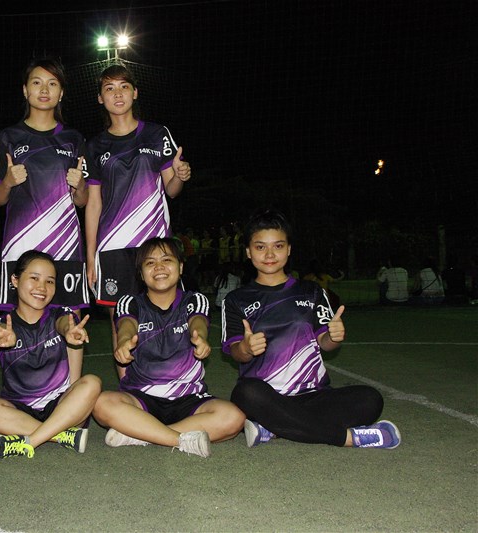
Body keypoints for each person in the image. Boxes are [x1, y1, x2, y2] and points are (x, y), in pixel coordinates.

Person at [221, 208, 401, 450]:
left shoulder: (311, 291)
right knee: (245, 393)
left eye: (278, 246)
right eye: (260, 247)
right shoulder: (235, 300)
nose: (270, 254)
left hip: (313, 395)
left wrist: (334, 336)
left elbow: (325, 343)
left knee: (370, 399)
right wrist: (245, 348)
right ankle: (349, 438)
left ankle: (274, 427)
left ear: (289, 249)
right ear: (248, 252)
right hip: (266, 396)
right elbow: (235, 351)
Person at [91, 237, 244, 458]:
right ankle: (178, 439)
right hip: (141, 398)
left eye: (166, 260)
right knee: (102, 403)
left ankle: (141, 433)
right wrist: (124, 341)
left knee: (233, 418)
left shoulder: (195, 299)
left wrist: (200, 337)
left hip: (189, 398)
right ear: (141, 274)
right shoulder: (129, 302)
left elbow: (198, 321)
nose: (159, 267)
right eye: (150, 263)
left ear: (180, 267)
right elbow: (126, 325)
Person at [84, 63, 192, 374]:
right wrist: (90, 257)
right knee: (121, 322)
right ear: (100, 98)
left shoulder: (157, 134)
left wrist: (180, 174)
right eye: (109, 88)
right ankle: (129, 390)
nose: (117, 94)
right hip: (113, 249)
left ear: (135, 92)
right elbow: (93, 203)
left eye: (123, 87)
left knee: (166, 316)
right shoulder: (95, 146)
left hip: (154, 246)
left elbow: (172, 189)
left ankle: (171, 382)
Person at [0, 250, 102, 460]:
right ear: (15, 280)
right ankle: (61, 436)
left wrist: (68, 330)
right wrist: (0, 336)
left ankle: (31, 441)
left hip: (61, 406)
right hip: (18, 410)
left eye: (49, 281)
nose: (42, 287)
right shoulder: (3, 323)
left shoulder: (61, 315)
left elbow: (64, 323)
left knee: (92, 383)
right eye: (34, 278)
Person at [0, 57, 90, 314]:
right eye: (37, 83)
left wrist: (80, 186)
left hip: (65, 243)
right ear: (25, 90)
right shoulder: (7, 137)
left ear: (61, 93)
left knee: (70, 320)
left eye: (52, 83)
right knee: (18, 321)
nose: (44, 90)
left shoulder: (74, 139)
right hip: (20, 241)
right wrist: (8, 182)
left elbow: (82, 201)